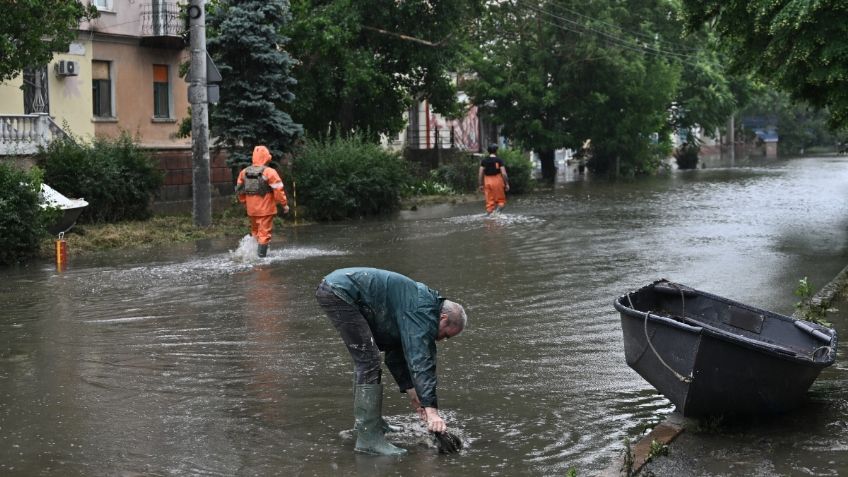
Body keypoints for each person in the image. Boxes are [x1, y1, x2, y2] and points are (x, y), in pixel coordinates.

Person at [315, 267, 468, 455]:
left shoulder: (419, 309)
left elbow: (396, 353)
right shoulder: (423, 312)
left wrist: (414, 395)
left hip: (341, 289)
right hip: (340, 292)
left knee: (367, 358)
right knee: (368, 360)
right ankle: (368, 438)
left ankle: (370, 424)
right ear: (443, 318)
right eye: (445, 335)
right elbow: (421, 361)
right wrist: (431, 410)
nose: (441, 340)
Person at [235, 145, 289, 257]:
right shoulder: (269, 172)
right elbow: (278, 190)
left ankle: (252, 253)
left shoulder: (244, 172)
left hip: (251, 210)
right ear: (267, 158)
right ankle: (261, 258)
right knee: (264, 233)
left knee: (255, 232)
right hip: (266, 210)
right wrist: (284, 204)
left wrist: (245, 202)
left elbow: (239, 190)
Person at [478, 143, 509, 215]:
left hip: (487, 181)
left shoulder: (484, 161)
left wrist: (480, 184)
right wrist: (507, 184)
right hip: (497, 180)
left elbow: (480, 174)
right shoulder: (499, 160)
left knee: (489, 203)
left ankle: (489, 218)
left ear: (488, 151)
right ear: (496, 151)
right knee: (501, 201)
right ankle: (497, 214)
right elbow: (504, 173)